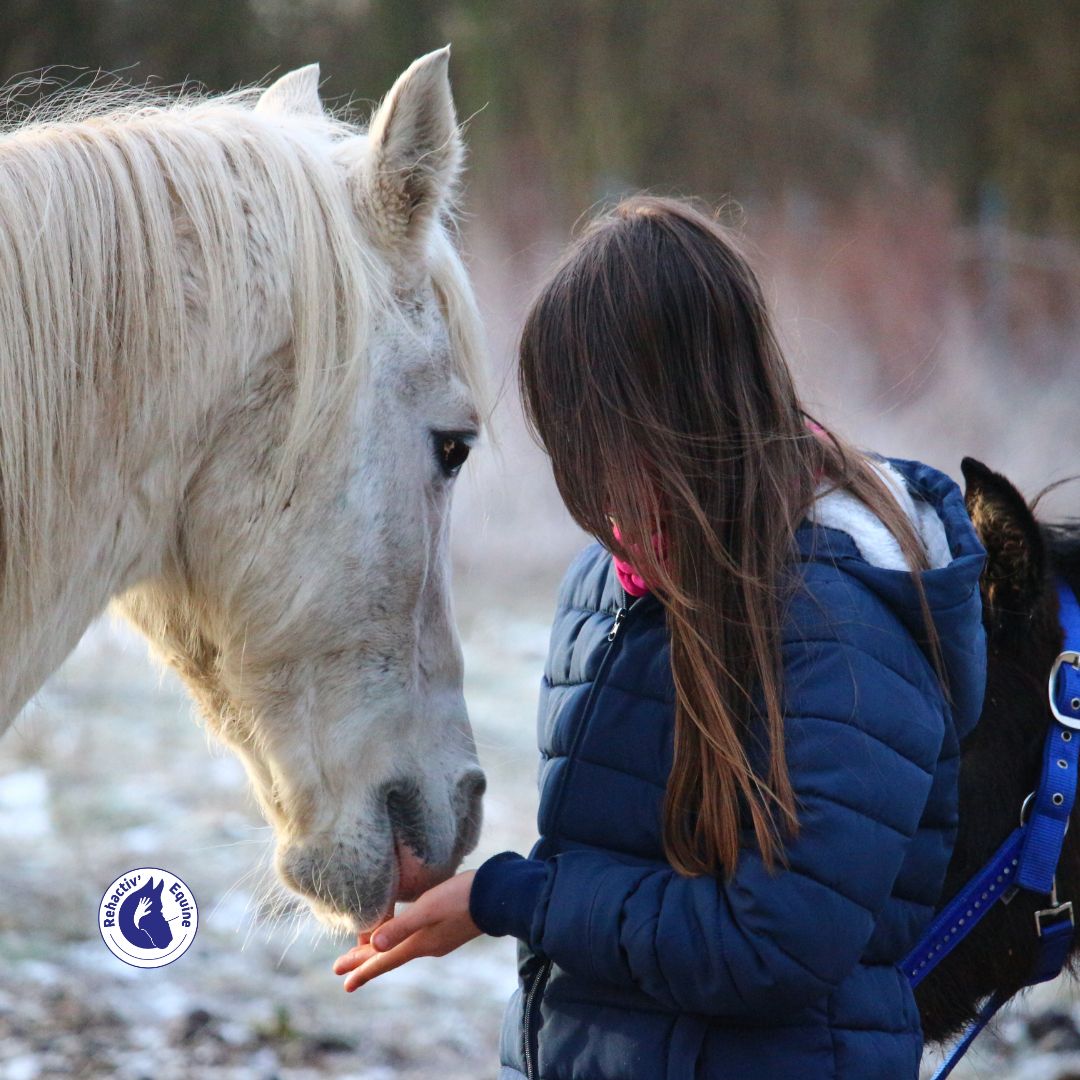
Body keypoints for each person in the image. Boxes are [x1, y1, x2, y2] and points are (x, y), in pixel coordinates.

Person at [332, 195, 988, 1079]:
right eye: (573, 451)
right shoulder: (609, 586)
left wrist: (515, 897)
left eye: (608, 446)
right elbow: (619, 875)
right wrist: (471, 885)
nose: (595, 494)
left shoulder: (843, 630)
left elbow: (769, 945)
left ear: (689, 417)